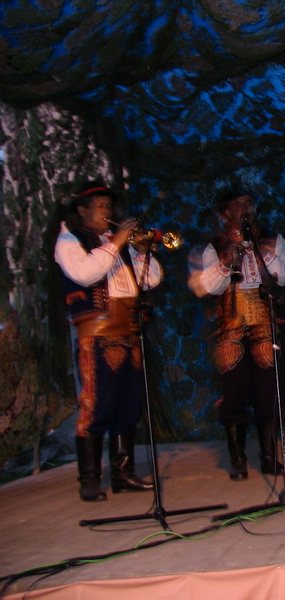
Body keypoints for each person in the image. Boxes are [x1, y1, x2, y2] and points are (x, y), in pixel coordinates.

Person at [55, 181, 162, 502]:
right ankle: (89, 479)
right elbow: (86, 274)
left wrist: (141, 252)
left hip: (129, 330)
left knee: (128, 404)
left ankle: (123, 473)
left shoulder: (117, 245)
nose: (108, 212)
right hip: (97, 333)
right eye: (101, 206)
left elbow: (151, 280)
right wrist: (117, 241)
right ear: (82, 210)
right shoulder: (69, 240)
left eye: (109, 206)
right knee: (96, 404)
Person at [189, 189, 285, 480]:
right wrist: (226, 263)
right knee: (234, 392)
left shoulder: (272, 239)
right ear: (226, 213)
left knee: (268, 390)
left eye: (249, 204)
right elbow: (206, 287)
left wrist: (265, 255)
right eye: (238, 206)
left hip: (265, 320)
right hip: (231, 325)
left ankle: (268, 456)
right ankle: (237, 458)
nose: (245, 210)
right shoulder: (214, 246)